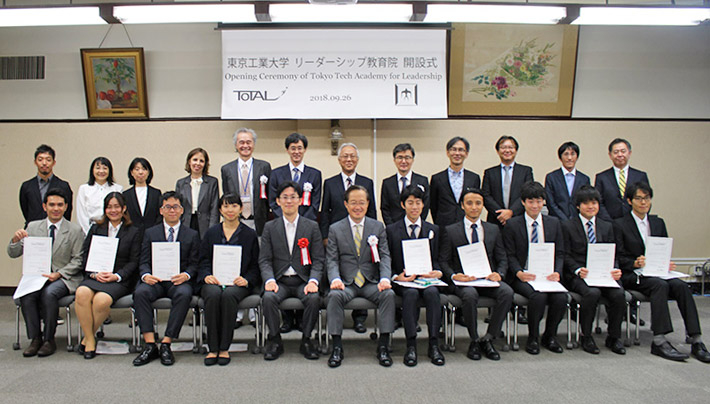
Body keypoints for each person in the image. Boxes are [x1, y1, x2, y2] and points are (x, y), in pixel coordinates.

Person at [613, 182, 710, 363]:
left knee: (681, 286)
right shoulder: (620, 224)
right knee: (659, 285)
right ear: (629, 201)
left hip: (657, 272)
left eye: (647, 198)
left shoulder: (658, 222)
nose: (643, 202)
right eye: (639, 198)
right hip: (634, 275)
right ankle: (659, 340)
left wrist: (667, 262)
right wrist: (634, 262)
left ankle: (696, 338)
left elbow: (663, 248)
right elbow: (617, 257)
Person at [7, 188, 83, 357]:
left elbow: (78, 260)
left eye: (60, 205)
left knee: (49, 294)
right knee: (27, 295)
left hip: (64, 278)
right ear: (44, 206)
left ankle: (49, 339)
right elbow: (13, 253)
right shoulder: (33, 227)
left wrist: (59, 274)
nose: (56, 208)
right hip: (37, 276)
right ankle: (35, 339)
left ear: (65, 207)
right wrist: (15, 240)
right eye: (52, 205)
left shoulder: (74, 230)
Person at [439, 188, 513, 361]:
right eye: (470, 203)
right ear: (463, 206)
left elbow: (502, 258)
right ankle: (474, 339)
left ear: (483, 206)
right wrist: (454, 276)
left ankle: (488, 338)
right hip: (464, 281)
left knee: (507, 292)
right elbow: (443, 261)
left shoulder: (493, 229)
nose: (474, 207)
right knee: (470, 295)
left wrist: (499, 274)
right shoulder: (450, 230)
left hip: (487, 279)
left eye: (478, 203)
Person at [326, 185, 395, 368]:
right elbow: (331, 259)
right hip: (346, 283)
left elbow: (385, 255)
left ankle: (383, 346)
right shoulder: (335, 229)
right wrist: (335, 279)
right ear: (346, 205)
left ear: (368, 204)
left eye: (362, 203)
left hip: (371, 282)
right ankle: (337, 347)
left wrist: (385, 279)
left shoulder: (377, 226)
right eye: (353, 203)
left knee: (388, 295)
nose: (358, 207)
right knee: (334, 296)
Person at [132, 192, 200, 366]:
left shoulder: (191, 234)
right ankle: (149, 344)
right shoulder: (150, 233)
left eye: (175, 207)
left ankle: (166, 343)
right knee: (140, 293)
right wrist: (146, 275)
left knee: (184, 294)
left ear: (182, 210)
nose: (172, 211)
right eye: (167, 207)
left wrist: (186, 275)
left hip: (178, 281)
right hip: (155, 280)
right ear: (161, 210)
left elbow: (194, 263)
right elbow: (143, 260)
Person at [260, 181, 324, 361]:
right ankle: (275, 340)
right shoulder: (270, 227)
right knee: (268, 297)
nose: (289, 201)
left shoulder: (311, 226)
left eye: (293, 197)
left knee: (313, 298)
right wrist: (269, 280)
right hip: (279, 281)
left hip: (303, 280)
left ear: (300, 200)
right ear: (278, 201)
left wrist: (313, 281)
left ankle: (306, 340)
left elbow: (319, 259)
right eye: (285, 197)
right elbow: (264, 259)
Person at [75, 192, 141, 359]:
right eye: (109, 207)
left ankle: (86, 339)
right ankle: (89, 339)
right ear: (105, 209)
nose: (113, 210)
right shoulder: (96, 228)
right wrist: (93, 273)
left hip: (118, 280)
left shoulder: (133, 232)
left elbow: (134, 262)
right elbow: (86, 254)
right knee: (81, 293)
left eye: (116, 207)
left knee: (101, 301)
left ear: (124, 208)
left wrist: (117, 276)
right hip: (95, 276)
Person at [561, 185, 626, 355]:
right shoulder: (567, 226)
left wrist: (615, 269)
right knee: (592, 293)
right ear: (578, 205)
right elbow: (565, 255)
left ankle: (614, 336)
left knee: (619, 294)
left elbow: (615, 253)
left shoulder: (607, 226)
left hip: (604, 273)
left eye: (594, 202)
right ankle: (586, 335)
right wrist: (577, 270)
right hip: (580, 275)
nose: (591, 206)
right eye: (586, 203)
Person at [503, 181, 566, 355]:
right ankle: (533, 337)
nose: (535, 206)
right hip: (523, 276)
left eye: (539, 201)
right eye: (531, 201)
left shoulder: (554, 223)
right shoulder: (513, 225)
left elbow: (560, 253)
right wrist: (519, 273)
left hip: (547, 276)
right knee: (538, 297)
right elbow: (510, 255)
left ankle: (550, 336)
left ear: (543, 202)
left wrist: (557, 272)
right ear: (523, 202)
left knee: (561, 298)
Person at [386, 185, 445, 366]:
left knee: (433, 293)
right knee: (410, 294)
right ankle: (411, 345)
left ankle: (433, 344)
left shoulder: (433, 229)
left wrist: (438, 271)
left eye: (418, 203)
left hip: (428, 280)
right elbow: (386, 260)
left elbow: (440, 259)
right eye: (410, 203)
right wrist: (397, 277)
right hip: (404, 281)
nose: (414, 207)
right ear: (403, 205)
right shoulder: (391, 230)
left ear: (423, 205)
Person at [198, 193, 260, 366]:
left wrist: (246, 280)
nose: (230, 210)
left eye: (234, 206)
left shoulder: (249, 234)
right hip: (214, 281)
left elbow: (255, 265)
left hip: (238, 283)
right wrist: (206, 276)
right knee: (212, 295)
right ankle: (212, 348)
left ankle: (224, 347)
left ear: (241, 208)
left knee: (228, 296)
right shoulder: (211, 233)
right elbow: (202, 260)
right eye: (226, 206)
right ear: (220, 209)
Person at [320, 142, 376, 333]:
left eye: (352, 156)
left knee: (361, 273)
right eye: (345, 156)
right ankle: (337, 316)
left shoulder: (367, 183)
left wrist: (373, 237)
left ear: (357, 159)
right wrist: (326, 236)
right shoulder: (329, 183)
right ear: (339, 160)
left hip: (363, 236)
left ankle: (359, 318)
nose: (349, 159)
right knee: (340, 276)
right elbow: (325, 212)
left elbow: (373, 212)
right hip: (338, 237)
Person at [221, 128, 272, 236]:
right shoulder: (227, 169)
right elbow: (227, 195)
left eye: (249, 142)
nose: (245, 146)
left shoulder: (264, 167)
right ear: (235, 145)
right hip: (236, 220)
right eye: (241, 142)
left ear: (254, 144)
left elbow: (269, 195)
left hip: (259, 221)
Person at [482, 135, 534, 227]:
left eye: (511, 147)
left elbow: (528, 193)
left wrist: (511, 212)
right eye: (503, 147)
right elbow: (486, 196)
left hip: (519, 219)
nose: (507, 150)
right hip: (495, 220)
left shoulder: (526, 171)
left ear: (516, 150)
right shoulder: (489, 172)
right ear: (497, 151)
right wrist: (501, 214)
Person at [269, 132, 322, 221]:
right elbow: (273, 202)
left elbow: (315, 203)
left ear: (305, 149)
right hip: (282, 222)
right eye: (293, 148)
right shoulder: (276, 174)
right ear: (287, 150)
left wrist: (301, 222)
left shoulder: (315, 174)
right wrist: (286, 219)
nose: (296, 152)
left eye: (299, 148)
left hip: (306, 223)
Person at [430, 137, 480, 228]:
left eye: (461, 150)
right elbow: (433, 205)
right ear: (447, 153)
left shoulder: (474, 178)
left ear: (466, 154)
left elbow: (475, 202)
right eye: (453, 149)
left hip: (466, 225)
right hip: (443, 226)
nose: (457, 153)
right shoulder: (437, 178)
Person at [595, 138, 650, 221]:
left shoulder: (640, 176)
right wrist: (608, 222)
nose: (620, 155)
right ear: (610, 155)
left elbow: (646, 199)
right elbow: (599, 202)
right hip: (610, 224)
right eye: (616, 152)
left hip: (634, 224)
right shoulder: (601, 177)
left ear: (629, 153)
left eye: (623, 151)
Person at [19, 144, 73, 227]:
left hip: (57, 230)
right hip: (34, 231)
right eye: (40, 160)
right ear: (35, 162)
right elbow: (25, 210)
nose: (44, 163)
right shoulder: (27, 186)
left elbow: (67, 212)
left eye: (48, 160)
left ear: (54, 162)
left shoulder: (63, 186)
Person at [380, 143, 429, 225]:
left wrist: (416, 223)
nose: (403, 161)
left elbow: (425, 206)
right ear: (394, 160)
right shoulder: (387, 183)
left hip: (416, 227)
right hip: (394, 229)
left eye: (407, 158)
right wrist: (392, 228)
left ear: (412, 160)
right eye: (400, 157)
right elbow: (385, 208)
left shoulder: (422, 181)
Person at [175, 148, 220, 239]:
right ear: (189, 162)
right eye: (195, 160)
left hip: (205, 225)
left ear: (205, 164)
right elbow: (177, 207)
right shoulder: (181, 183)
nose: (198, 163)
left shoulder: (212, 182)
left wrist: (212, 229)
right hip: (186, 223)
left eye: (201, 161)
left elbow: (214, 208)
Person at [544, 141, 591, 222]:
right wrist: (565, 220)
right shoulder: (551, 177)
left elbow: (585, 202)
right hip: (557, 222)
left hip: (578, 222)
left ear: (577, 156)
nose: (569, 158)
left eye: (573, 154)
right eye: (566, 154)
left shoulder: (584, 179)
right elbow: (551, 203)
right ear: (560, 157)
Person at [76, 157, 123, 234]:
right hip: (90, 228)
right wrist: (89, 234)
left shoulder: (117, 188)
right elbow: (81, 215)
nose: (101, 171)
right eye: (98, 168)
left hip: (112, 229)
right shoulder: (84, 189)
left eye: (105, 168)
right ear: (92, 170)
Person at [123, 157, 162, 233]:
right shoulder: (126, 194)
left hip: (152, 233)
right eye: (137, 169)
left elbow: (159, 215)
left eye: (144, 169)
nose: (140, 172)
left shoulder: (156, 193)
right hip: (132, 234)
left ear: (148, 172)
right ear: (131, 172)